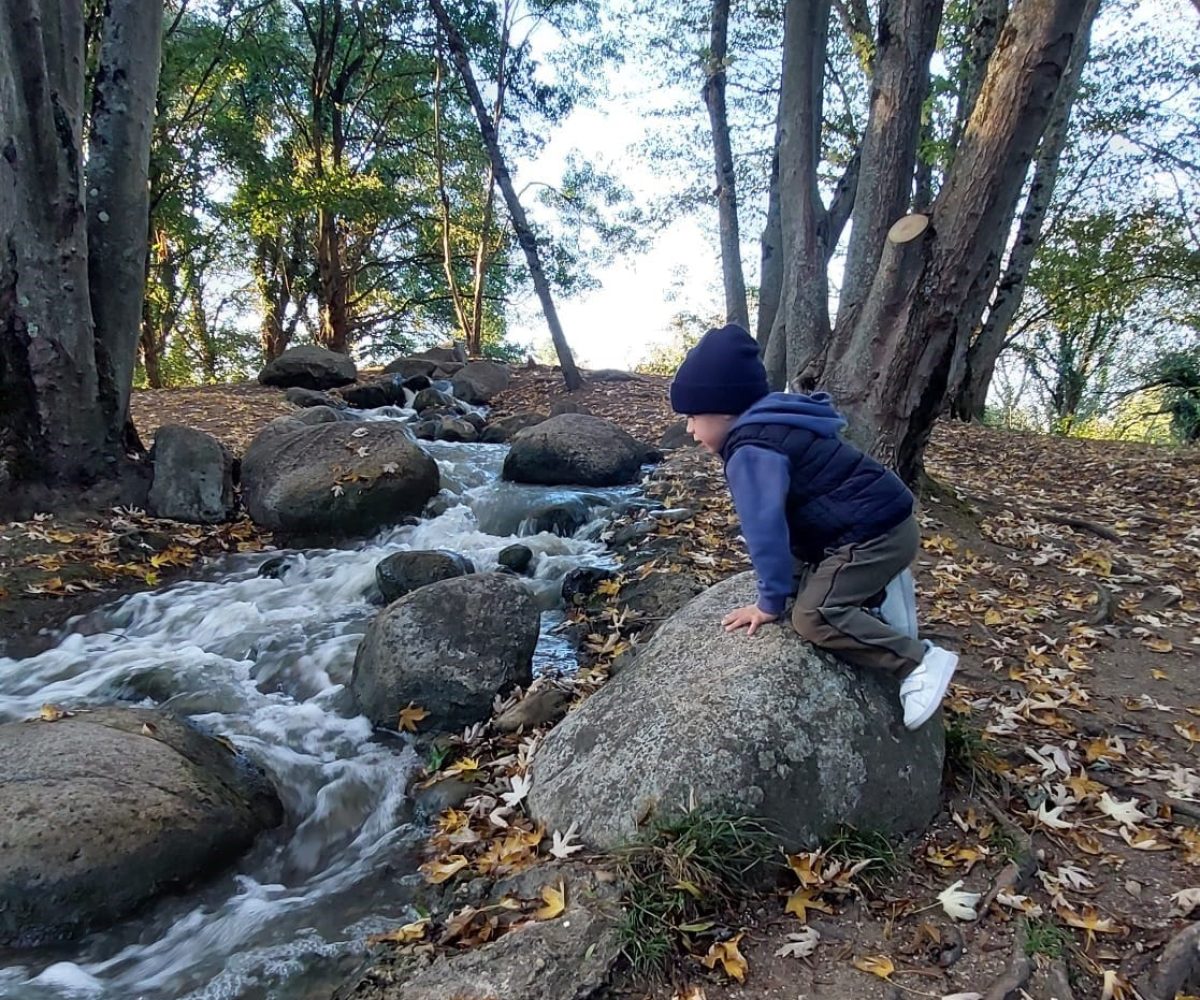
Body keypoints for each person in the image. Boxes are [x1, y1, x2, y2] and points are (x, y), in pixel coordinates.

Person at [668, 323, 957, 730]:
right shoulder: (778, 421)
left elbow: (765, 532)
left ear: (726, 410)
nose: (689, 429)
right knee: (805, 582)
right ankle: (878, 592)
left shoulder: (750, 451)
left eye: (693, 416)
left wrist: (768, 603)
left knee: (814, 616)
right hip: (880, 525)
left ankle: (918, 662)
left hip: (872, 537)